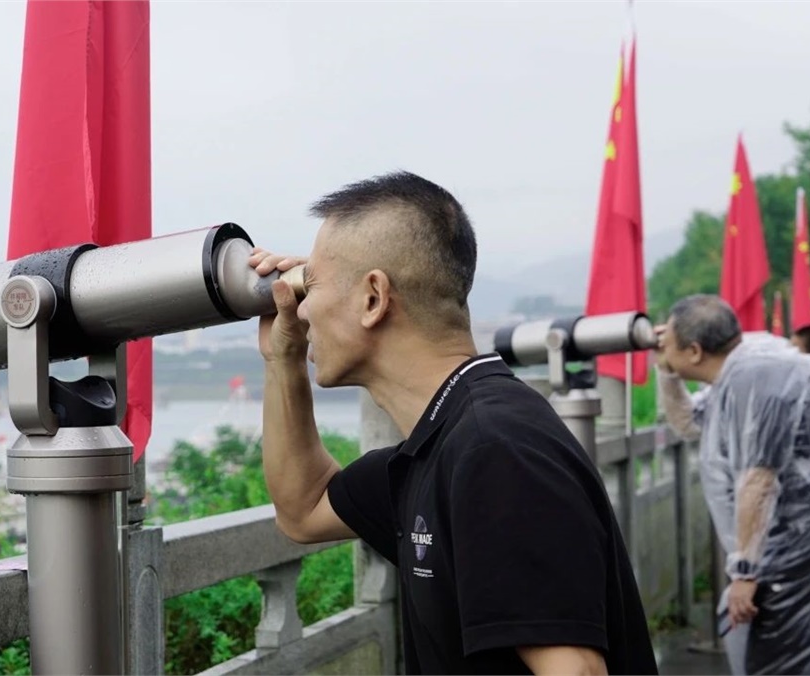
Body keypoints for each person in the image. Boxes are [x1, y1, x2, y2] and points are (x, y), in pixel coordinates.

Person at [250, 170, 657, 675]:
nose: (302, 309)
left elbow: (577, 671)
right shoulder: (441, 443)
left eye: (309, 287)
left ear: (373, 298)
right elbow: (303, 509)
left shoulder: (494, 449)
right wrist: (283, 358)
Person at [654, 295, 810, 675]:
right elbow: (689, 423)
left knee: (779, 650)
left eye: (669, 341)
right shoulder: (741, 368)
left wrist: (745, 573)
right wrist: (666, 372)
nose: (661, 346)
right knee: (801, 652)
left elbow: (758, 481)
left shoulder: (755, 376)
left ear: (694, 351)